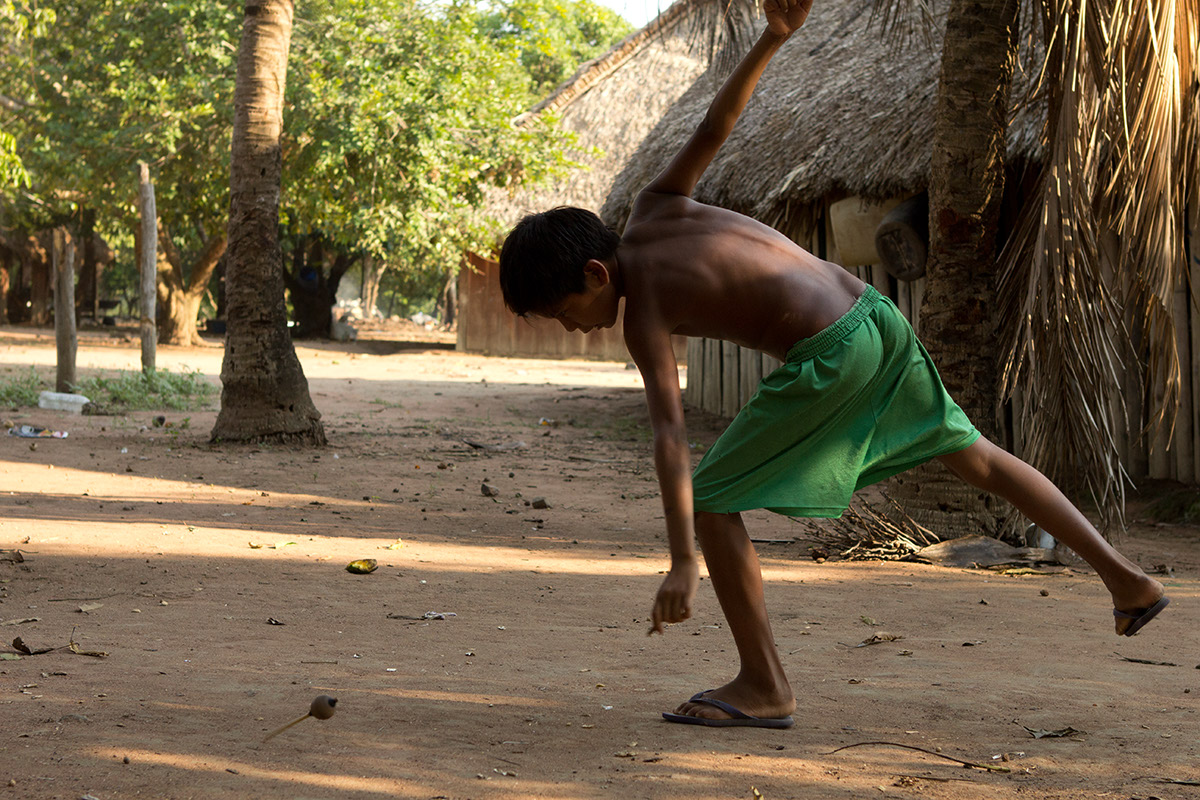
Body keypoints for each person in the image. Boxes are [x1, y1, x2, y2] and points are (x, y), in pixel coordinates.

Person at [498, 0, 1169, 729]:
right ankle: (1125, 579)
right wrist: (772, 39)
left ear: (595, 275)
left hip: (831, 353)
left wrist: (683, 557)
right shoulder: (656, 204)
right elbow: (715, 128)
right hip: (877, 320)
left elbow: (668, 436)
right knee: (973, 454)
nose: (575, 330)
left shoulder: (646, 310)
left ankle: (765, 684)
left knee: (715, 500)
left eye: (566, 314)